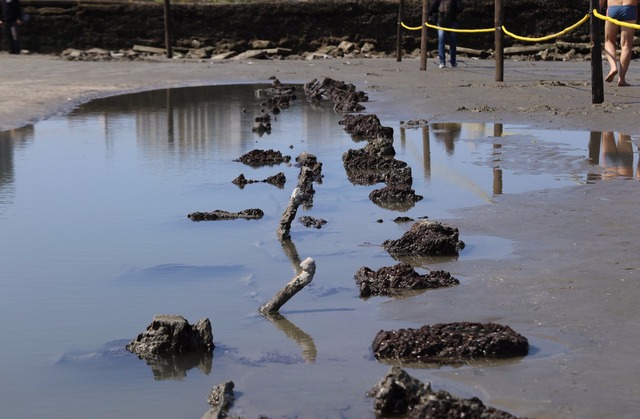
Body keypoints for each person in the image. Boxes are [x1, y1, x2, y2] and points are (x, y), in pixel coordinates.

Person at [600, 0, 638, 86]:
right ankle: (621, 79)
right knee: (626, 44)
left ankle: (613, 67)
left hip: (613, 8)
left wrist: (596, 11)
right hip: (630, 8)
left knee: (609, 40)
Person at [429, 0, 464, 68]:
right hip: (443, 21)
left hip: (450, 21)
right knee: (444, 41)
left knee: (450, 41)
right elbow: (433, 7)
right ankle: (444, 62)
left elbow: (460, 8)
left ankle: (451, 62)